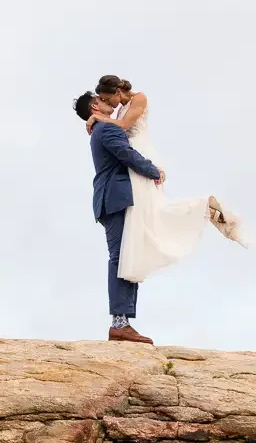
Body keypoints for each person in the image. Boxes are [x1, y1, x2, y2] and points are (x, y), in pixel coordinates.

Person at [86, 75, 247, 289]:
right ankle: (204, 207)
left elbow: (124, 126)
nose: (108, 105)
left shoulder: (139, 98)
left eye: (108, 99)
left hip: (141, 155)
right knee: (151, 212)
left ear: (117, 92)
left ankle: (203, 205)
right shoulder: (119, 109)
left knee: (153, 213)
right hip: (133, 157)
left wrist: (97, 119)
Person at [73, 90, 163, 344]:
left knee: (127, 255)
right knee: (121, 257)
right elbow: (126, 154)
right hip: (115, 198)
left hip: (111, 199)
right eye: (102, 100)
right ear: (95, 106)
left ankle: (123, 322)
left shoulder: (101, 128)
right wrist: (152, 169)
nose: (107, 102)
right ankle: (119, 323)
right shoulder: (106, 130)